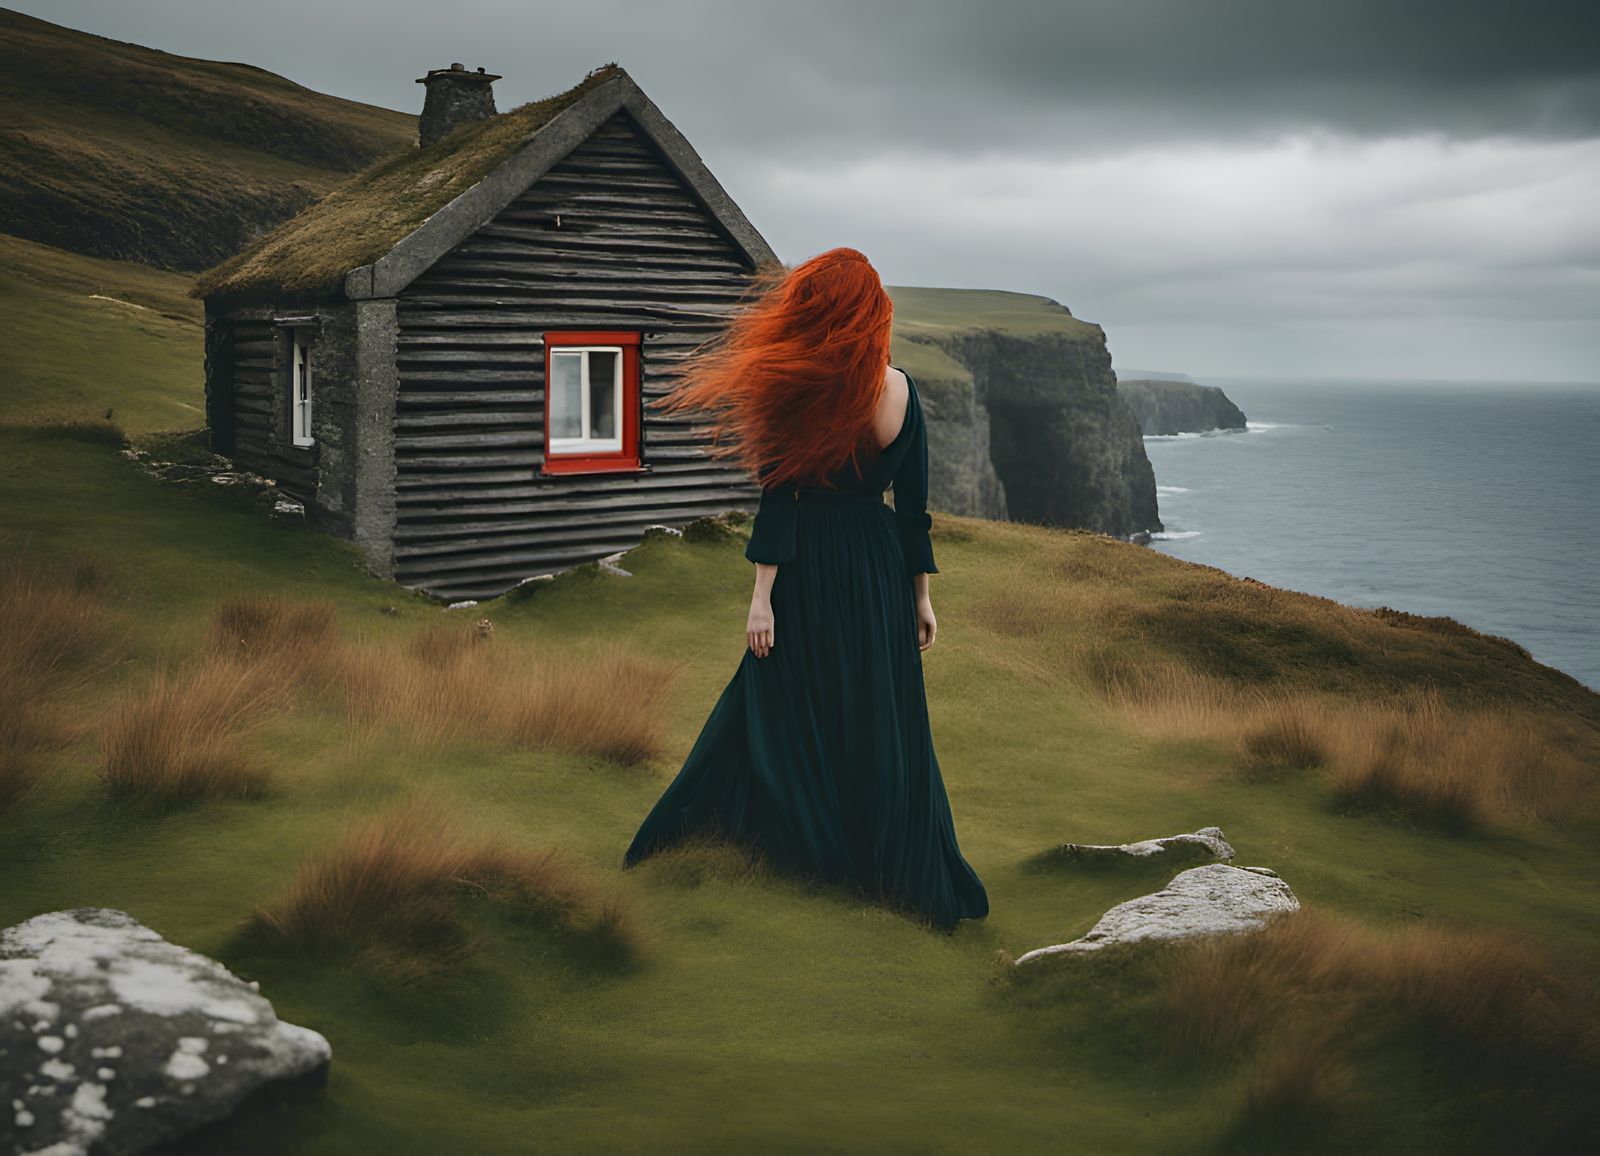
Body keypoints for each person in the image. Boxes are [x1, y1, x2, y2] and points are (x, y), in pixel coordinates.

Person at [620, 247, 989, 933]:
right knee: (879, 709)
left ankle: (781, 846)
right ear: (872, 315)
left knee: (777, 697)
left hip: (812, 563)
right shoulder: (902, 391)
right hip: (876, 564)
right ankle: (885, 865)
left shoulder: (798, 390)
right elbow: (912, 509)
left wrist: (762, 596)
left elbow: (780, 498)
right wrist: (920, 596)